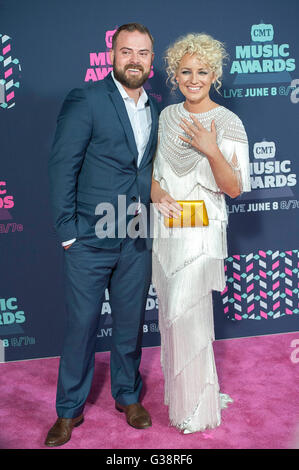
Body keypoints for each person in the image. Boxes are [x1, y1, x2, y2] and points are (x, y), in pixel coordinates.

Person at [45, 23, 159, 447]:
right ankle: (68, 410)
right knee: (81, 326)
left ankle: (128, 396)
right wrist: (68, 233)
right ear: (112, 55)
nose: (134, 59)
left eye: (142, 52)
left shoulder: (155, 108)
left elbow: (142, 171)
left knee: (130, 325)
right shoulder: (87, 99)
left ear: (151, 58)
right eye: (126, 51)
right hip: (89, 239)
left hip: (136, 236)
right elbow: (62, 167)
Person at [151, 33, 251, 434]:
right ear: (175, 75)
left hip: (202, 231)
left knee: (187, 313)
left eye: (202, 71)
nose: (194, 79)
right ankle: (182, 397)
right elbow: (155, 174)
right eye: (186, 71)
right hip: (168, 229)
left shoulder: (228, 122)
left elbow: (234, 188)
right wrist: (157, 193)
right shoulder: (167, 116)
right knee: (172, 318)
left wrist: (211, 148)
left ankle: (199, 406)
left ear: (215, 74)